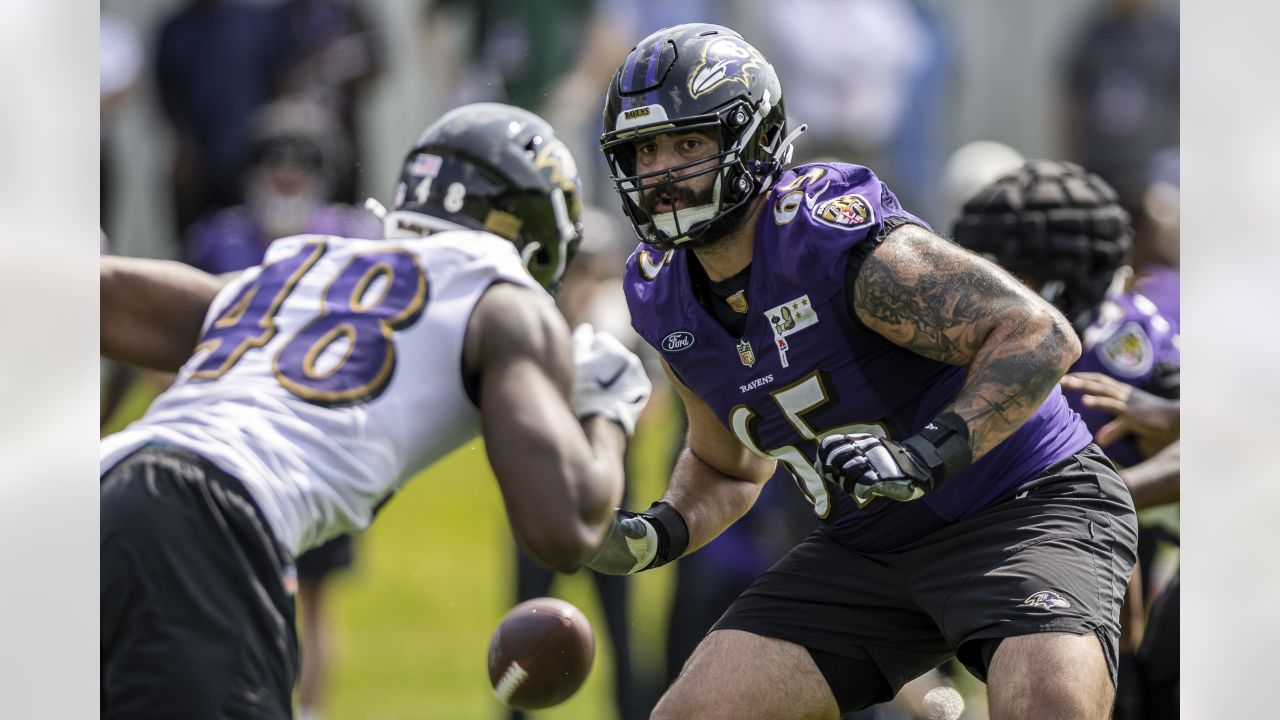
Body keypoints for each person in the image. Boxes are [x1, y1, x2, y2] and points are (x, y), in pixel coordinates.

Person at [584, 24, 1137, 719]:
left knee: (1048, 706)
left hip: (1019, 510)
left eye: (689, 143)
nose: (662, 171)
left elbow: (1034, 333)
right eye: (645, 150)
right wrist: (655, 532)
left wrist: (921, 454)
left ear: (753, 140)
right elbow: (726, 465)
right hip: (869, 549)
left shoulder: (824, 239)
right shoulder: (661, 293)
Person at [100, 103, 651, 719]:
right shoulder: (504, 298)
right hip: (208, 526)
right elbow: (564, 530)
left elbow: (107, 297)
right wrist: (607, 409)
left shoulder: (306, 264)